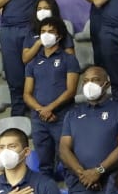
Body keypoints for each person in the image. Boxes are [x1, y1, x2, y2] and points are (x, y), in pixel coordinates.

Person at [23, 17, 79, 179]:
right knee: (44, 165)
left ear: (59, 36)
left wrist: (50, 108)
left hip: (62, 117)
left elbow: (71, 90)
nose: (46, 35)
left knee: (68, 160)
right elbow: (27, 94)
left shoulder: (69, 59)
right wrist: (42, 110)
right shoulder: (33, 63)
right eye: (43, 32)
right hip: (39, 119)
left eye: (51, 32)